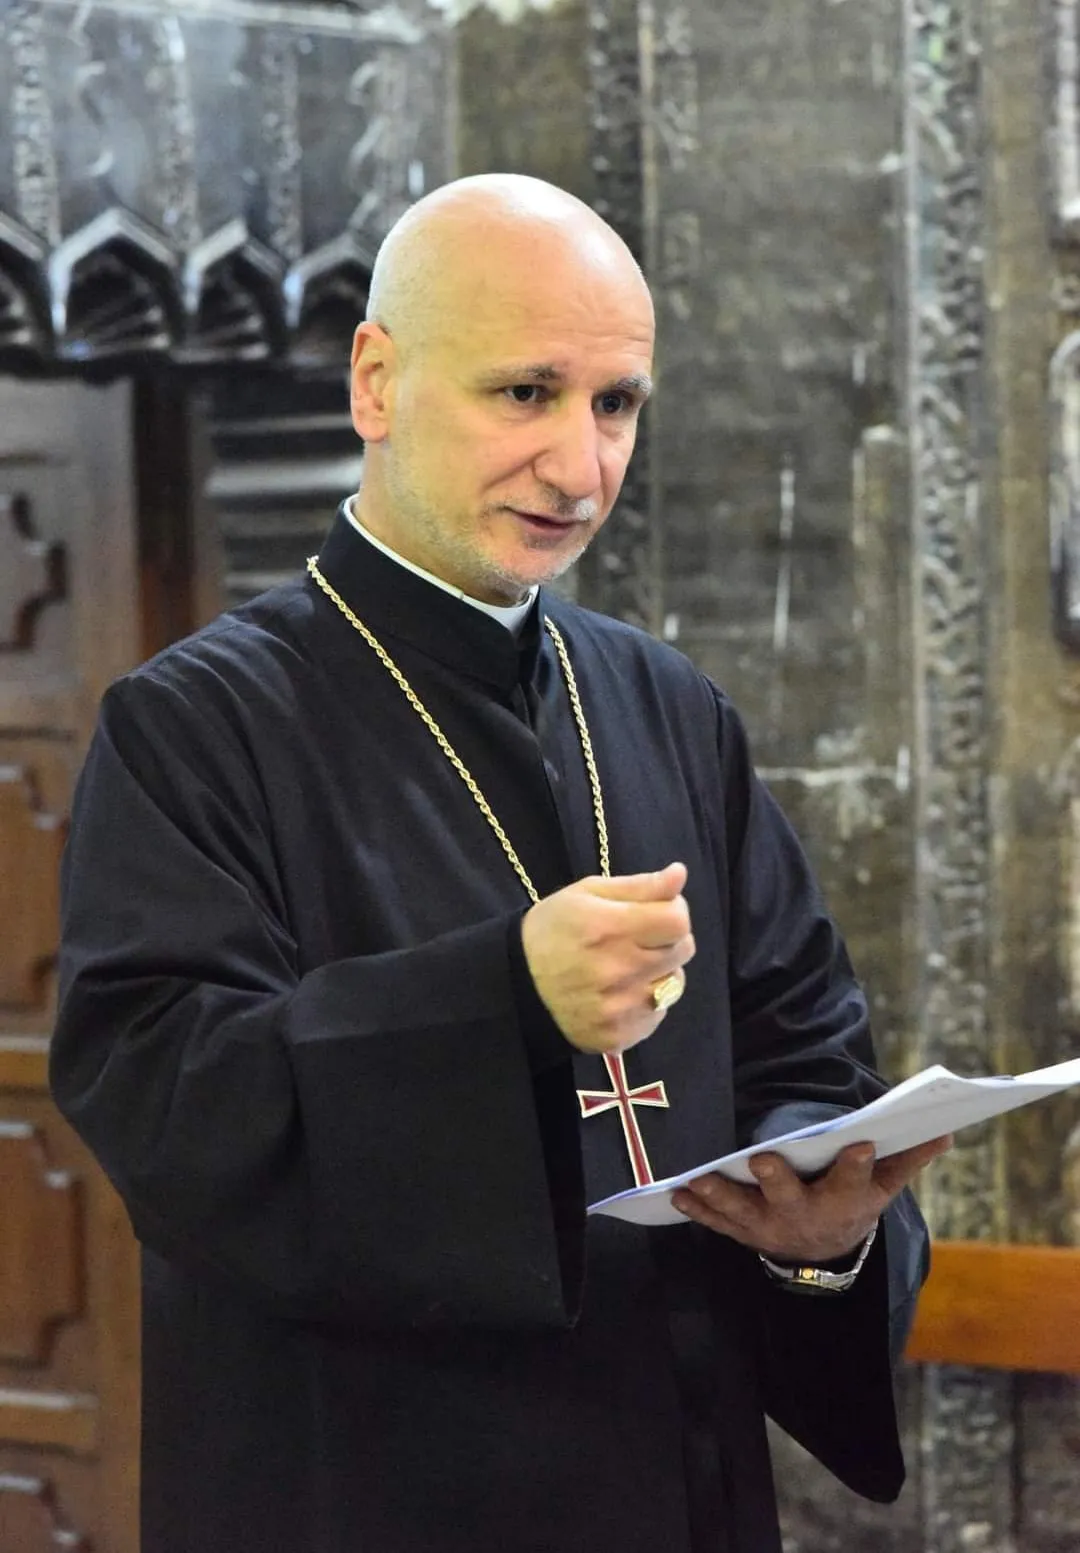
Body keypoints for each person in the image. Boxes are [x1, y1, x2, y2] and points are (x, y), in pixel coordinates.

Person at [51, 174, 946, 1553]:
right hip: (368, 1488)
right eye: (525, 393)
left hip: (679, 1477)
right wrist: (504, 997)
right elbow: (165, 1100)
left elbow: (803, 1048)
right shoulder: (195, 726)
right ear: (376, 382)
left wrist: (822, 1236)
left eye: (616, 404)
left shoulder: (668, 707)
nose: (580, 468)